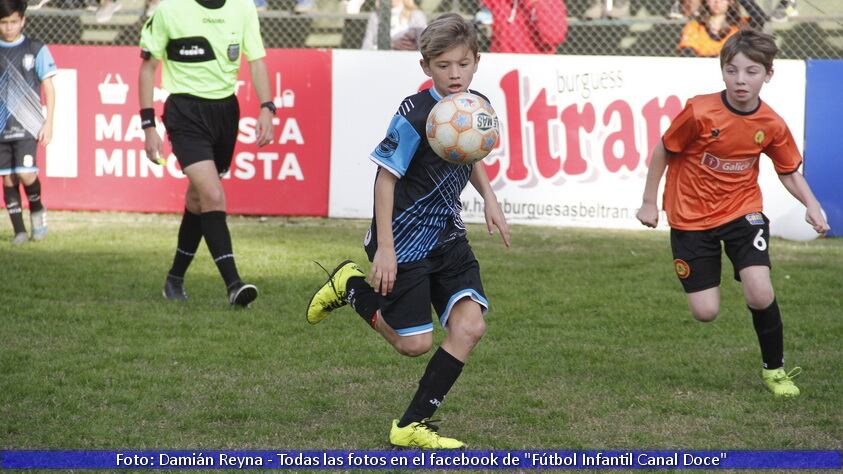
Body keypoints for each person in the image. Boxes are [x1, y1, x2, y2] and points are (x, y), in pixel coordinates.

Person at [306, 13, 510, 448]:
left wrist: (489, 198)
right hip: (405, 241)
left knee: (470, 327)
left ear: (476, 61)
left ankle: (412, 425)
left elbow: (467, 154)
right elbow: (385, 178)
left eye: (462, 63)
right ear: (425, 68)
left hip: (449, 237)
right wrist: (385, 248)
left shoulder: (475, 107)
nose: (454, 74)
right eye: (443, 65)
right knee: (413, 345)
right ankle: (351, 286)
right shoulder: (415, 115)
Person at [636, 29, 830, 398]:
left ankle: (775, 371)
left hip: (743, 211)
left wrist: (811, 203)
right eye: (732, 70)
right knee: (705, 311)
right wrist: (649, 202)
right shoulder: (699, 110)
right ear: (722, 70)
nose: (741, 80)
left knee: (759, 292)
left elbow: (787, 169)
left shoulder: (771, 123)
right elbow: (664, 150)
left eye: (752, 71)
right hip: (690, 217)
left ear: (768, 74)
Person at [138, 0, 274, 307]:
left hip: (226, 112)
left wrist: (268, 107)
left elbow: (257, 60)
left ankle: (174, 278)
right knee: (213, 195)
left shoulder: (243, 7)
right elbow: (148, 68)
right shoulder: (169, 10)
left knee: (198, 199)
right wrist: (148, 125)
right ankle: (233, 284)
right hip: (184, 111)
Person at [0, 0, 55, 245]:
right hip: (2, 126)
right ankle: (20, 231)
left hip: (27, 124)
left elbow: (49, 87)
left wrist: (48, 122)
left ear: (23, 20)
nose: (8, 27)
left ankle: (37, 212)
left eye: (13, 21)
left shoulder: (35, 48)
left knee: (26, 174)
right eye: (3, 22)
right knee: (8, 178)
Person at [677, 0, 762, 57]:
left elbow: (760, 18)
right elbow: (687, 52)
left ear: (730, 2)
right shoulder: (695, 26)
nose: (717, 2)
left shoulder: (739, 25)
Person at [483, 0, 567, 54]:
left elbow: (554, 37)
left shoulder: (552, 2)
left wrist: (539, 4)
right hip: (502, 65)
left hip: (536, 67)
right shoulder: (502, 3)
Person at [360, 0, 427, 51]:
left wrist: (414, 46)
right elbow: (366, 47)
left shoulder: (416, 15)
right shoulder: (375, 16)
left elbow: (425, 44)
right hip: (381, 59)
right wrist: (391, 45)